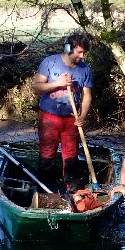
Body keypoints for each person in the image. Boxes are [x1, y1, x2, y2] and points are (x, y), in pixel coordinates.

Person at [32, 32, 93, 191]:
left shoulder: (85, 69)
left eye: (84, 52)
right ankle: (45, 188)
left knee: (71, 154)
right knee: (47, 152)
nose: (83, 56)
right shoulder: (49, 63)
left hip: (71, 119)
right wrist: (57, 83)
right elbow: (36, 87)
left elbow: (87, 95)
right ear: (68, 49)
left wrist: (82, 116)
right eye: (80, 52)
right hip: (49, 118)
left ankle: (72, 190)